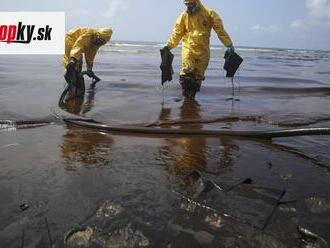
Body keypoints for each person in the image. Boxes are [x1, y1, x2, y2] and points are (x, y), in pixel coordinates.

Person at [164, 0, 234, 99]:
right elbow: (177, 33)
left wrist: (228, 44)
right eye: (187, 4)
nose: (189, 6)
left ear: (197, 2)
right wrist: (169, 45)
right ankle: (186, 97)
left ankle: (191, 99)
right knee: (187, 73)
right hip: (189, 47)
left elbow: (220, 30)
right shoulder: (184, 16)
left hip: (203, 50)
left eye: (191, 4)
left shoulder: (210, 14)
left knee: (198, 76)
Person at [63, 27, 113, 97]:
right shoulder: (88, 35)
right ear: (96, 35)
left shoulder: (96, 44)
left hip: (78, 44)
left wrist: (89, 68)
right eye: (99, 40)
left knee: (78, 64)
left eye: (102, 42)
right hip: (72, 38)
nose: (99, 43)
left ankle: (76, 81)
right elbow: (78, 46)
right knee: (71, 61)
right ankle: (68, 76)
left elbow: (90, 55)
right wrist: (73, 59)